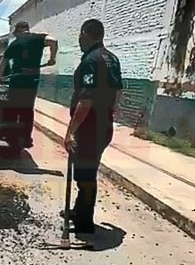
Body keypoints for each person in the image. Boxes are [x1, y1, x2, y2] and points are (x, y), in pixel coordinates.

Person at [60, 18, 123, 233]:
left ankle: (84, 223)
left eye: (80, 35)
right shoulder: (112, 58)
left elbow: (85, 101)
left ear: (86, 34)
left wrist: (70, 131)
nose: (79, 39)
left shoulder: (91, 60)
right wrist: (110, 113)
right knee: (88, 170)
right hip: (104, 125)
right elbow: (117, 93)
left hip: (89, 127)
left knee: (86, 175)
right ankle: (79, 210)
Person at [0, 21, 58, 148]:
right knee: (27, 109)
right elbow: (54, 41)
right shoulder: (38, 38)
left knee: (13, 108)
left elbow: (4, 60)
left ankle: (10, 135)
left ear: (19, 31)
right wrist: (52, 58)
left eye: (16, 33)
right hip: (32, 79)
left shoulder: (15, 43)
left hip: (18, 78)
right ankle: (26, 138)